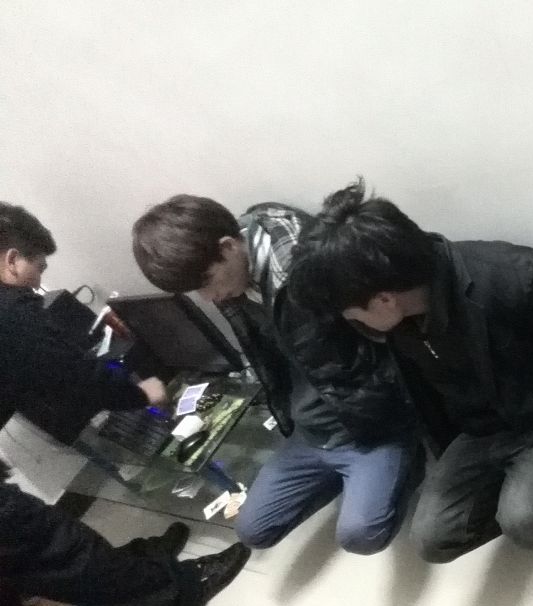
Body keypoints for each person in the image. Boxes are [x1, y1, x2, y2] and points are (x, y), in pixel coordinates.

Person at [288, 179, 533, 563]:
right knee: (433, 539)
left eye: (353, 314)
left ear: (384, 299)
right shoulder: (396, 319)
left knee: (528, 520)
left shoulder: (515, 278)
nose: (353, 323)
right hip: (483, 430)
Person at [0, 202, 250, 606]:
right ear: (11, 261)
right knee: (53, 546)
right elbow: (74, 377)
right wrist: (142, 392)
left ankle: (142, 561)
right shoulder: (9, 312)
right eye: (38, 268)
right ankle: (182, 589)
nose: (39, 284)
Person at [132, 196, 419, 555]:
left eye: (206, 282)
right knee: (253, 531)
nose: (207, 297)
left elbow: (385, 336)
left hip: (368, 426)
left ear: (228, 246)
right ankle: (352, 480)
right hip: (309, 430)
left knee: (361, 536)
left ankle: (401, 464)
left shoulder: (310, 269)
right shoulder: (237, 277)